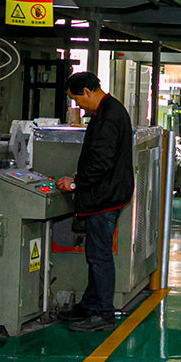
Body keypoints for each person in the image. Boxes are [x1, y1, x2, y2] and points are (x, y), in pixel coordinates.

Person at [56, 71, 133, 332]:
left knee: (100, 257)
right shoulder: (110, 109)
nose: (77, 105)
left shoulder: (108, 117)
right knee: (95, 254)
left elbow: (101, 162)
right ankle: (90, 305)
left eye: (77, 99)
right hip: (109, 193)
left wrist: (76, 183)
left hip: (104, 197)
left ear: (88, 92)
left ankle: (103, 314)